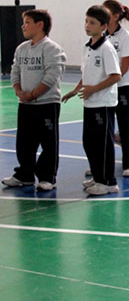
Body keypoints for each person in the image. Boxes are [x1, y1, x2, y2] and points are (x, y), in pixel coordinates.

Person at [2, 10, 66, 192]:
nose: (23, 26)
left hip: (46, 104)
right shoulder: (21, 48)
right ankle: (25, 174)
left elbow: (53, 74)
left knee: (48, 142)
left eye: (27, 22)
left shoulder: (52, 48)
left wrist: (34, 94)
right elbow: (15, 71)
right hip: (26, 105)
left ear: (40, 25)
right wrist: (19, 91)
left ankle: (47, 177)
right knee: (24, 142)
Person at [63, 6, 121, 195]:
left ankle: (108, 182)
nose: (87, 26)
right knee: (89, 142)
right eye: (86, 21)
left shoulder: (107, 48)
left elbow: (115, 76)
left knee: (102, 144)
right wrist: (76, 90)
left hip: (102, 103)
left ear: (103, 26)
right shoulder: (87, 47)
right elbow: (86, 73)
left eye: (92, 23)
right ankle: (97, 177)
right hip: (89, 102)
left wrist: (93, 90)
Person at [103, 0, 129, 177]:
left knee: (125, 127)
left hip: (122, 87)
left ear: (116, 16)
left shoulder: (126, 37)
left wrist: (112, 81)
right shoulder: (101, 36)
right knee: (105, 128)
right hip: (105, 90)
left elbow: (125, 66)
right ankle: (102, 165)